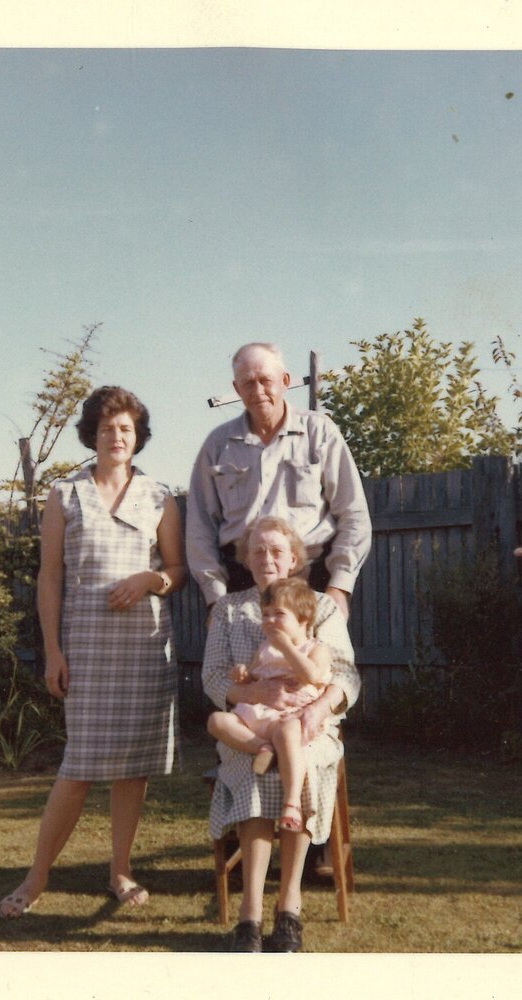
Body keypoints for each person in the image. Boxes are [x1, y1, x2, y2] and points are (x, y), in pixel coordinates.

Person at [0, 386, 186, 918]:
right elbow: (50, 577)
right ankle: (36, 879)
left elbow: (178, 570)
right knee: (77, 768)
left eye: (125, 428)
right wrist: (53, 651)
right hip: (86, 646)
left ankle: (120, 870)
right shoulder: (64, 495)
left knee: (134, 769)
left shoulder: (160, 498)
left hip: (145, 649)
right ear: (93, 435)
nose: (116, 436)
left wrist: (151, 579)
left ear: (137, 436)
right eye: (107, 428)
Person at [202, 515, 360, 952]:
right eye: (257, 550)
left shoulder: (321, 606)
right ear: (246, 558)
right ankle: (250, 915)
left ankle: (288, 908)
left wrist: (320, 707)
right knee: (252, 770)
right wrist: (253, 687)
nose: (266, 558)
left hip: (309, 723)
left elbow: (345, 675)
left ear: (294, 558)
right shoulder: (231, 610)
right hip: (252, 723)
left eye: (276, 551)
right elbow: (214, 679)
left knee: (304, 764)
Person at [186, 341, 372, 620]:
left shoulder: (319, 433)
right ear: (236, 389)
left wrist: (339, 589)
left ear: (285, 381)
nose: (258, 391)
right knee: (245, 666)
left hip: (311, 582)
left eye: (265, 381)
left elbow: (353, 513)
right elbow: (199, 528)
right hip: (240, 587)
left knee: (314, 664)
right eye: (248, 383)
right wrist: (215, 598)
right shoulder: (217, 445)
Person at [207, 576, 331, 833]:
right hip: (259, 714)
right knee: (217, 721)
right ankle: (263, 748)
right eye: (265, 614)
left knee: (288, 732)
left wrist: (286, 647)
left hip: (290, 716)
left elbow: (314, 676)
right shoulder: (264, 648)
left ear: (303, 620)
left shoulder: (316, 648)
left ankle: (292, 802)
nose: (270, 621)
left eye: (279, 614)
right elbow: (253, 675)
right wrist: (244, 674)